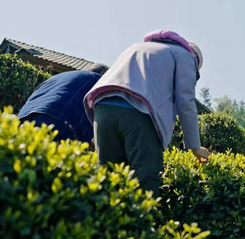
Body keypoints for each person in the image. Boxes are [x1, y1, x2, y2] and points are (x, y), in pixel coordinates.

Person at [84, 30, 210, 195]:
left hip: (102, 109)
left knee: (107, 181)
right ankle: (143, 221)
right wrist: (194, 146)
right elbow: (185, 101)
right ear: (193, 55)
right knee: (146, 183)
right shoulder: (185, 55)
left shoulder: (138, 47)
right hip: (138, 113)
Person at [18, 63, 108, 149]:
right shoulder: (99, 82)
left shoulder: (60, 77)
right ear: (103, 74)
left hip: (24, 118)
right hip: (56, 122)